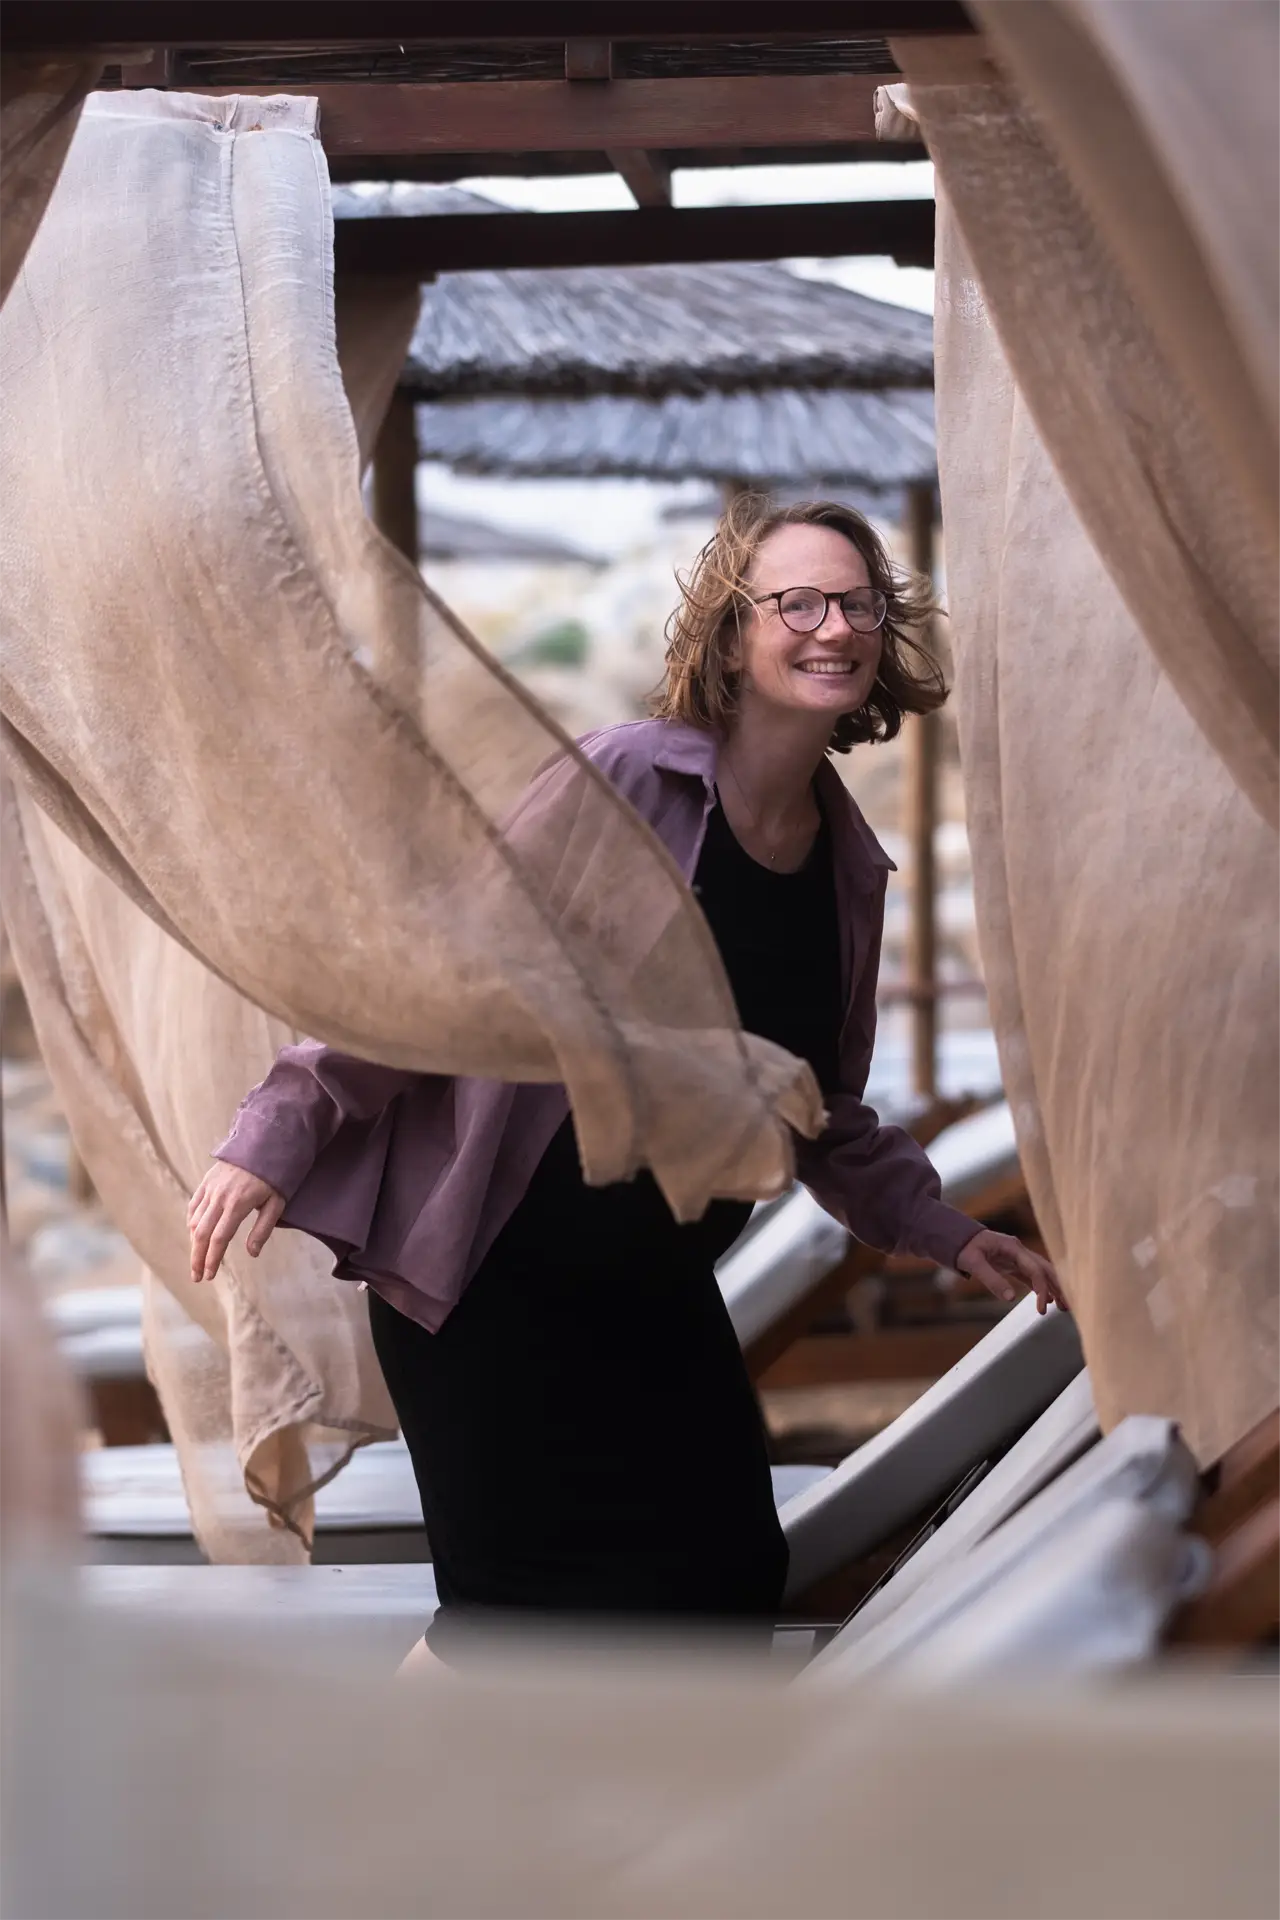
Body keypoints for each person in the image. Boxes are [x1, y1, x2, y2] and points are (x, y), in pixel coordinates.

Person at [188, 496, 1064, 1660]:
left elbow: (822, 1113)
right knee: (520, 1625)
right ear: (730, 635)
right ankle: (387, 1781)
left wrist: (950, 1234)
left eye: (857, 604)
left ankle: (650, 1790)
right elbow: (450, 970)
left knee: (726, 1579)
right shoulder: (623, 782)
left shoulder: (846, 867)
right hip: (498, 1288)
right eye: (798, 602)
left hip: (653, 1288)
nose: (835, 628)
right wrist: (281, 1128)